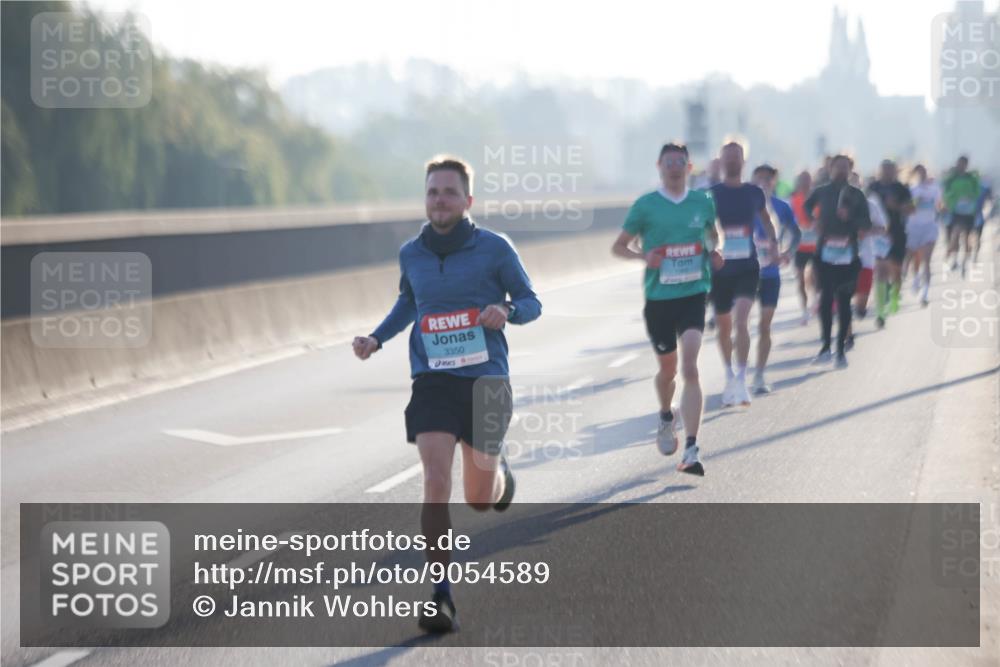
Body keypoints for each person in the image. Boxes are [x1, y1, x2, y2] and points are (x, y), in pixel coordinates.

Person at [353, 155, 542, 633]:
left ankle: (500, 478)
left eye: (449, 192)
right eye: (433, 192)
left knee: (480, 497)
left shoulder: (495, 248)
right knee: (436, 480)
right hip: (433, 380)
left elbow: (532, 302)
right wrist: (376, 338)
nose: (440, 200)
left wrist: (507, 310)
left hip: (486, 382)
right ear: (426, 198)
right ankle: (441, 595)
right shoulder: (411, 253)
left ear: (467, 200)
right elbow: (409, 302)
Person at [612, 142, 724, 476]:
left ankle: (691, 448)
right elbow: (619, 246)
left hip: (693, 293)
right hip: (659, 300)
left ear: (689, 167)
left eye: (680, 161)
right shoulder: (646, 205)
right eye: (668, 162)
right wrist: (643, 256)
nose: (674, 167)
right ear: (659, 166)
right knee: (668, 371)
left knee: (691, 367)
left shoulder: (702, 201)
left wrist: (714, 252)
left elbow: (711, 237)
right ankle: (665, 414)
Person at [710, 143, 777, 406]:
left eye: (736, 157)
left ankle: (741, 378)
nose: (732, 161)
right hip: (720, 269)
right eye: (727, 158)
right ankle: (729, 374)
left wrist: (773, 241)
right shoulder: (711, 195)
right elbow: (703, 226)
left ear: (743, 161)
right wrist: (710, 245)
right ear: (722, 161)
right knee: (724, 327)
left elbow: (766, 219)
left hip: (748, 267)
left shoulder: (754, 193)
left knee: (741, 320)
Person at [802, 155, 872, 367]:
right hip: (825, 254)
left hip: (849, 255)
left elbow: (867, 223)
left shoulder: (857, 195)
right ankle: (825, 347)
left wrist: (849, 218)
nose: (841, 170)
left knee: (843, 302)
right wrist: (814, 221)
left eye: (845, 167)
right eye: (837, 167)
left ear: (850, 169)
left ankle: (840, 350)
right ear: (830, 168)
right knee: (825, 301)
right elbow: (806, 207)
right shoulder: (822, 191)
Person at [750, 164, 800, 393]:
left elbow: (796, 233)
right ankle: (738, 371)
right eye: (758, 178)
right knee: (738, 324)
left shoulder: (782, 207)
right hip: (745, 273)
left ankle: (759, 374)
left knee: (764, 325)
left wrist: (788, 252)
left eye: (767, 179)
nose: (763, 183)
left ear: (774, 182)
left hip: (770, 273)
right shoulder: (745, 205)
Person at [867, 160, 913, 318]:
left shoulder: (902, 188)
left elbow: (911, 209)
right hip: (879, 234)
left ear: (895, 171)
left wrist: (897, 207)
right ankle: (881, 305)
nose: (887, 172)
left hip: (897, 232)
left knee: (896, 270)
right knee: (880, 269)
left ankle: (894, 298)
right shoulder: (873, 187)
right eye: (884, 169)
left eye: (890, 169)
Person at [907, 164, 942, 306]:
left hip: (929, 227)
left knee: (927, 259)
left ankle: (925, 293)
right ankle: (915, 278)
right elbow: (907, 208)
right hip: (914, 227)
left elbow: (939, 205)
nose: (922, 175)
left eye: (924, 172)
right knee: (916, 258)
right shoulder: (911, 190)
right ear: (915, 174)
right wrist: (916, 203)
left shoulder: (935, 189)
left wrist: (942, 208)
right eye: (919, 172)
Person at [942, 155, 981, 277]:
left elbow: (977, 192)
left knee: (967, 239)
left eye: (963, 163)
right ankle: (954, 259)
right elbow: (945, 192)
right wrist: (952, 200)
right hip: (956, 211)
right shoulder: (951, 178)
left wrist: (969, 196)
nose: (961, 166)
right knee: (955, 235)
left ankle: (965, 262)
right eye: (959, 163)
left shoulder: (971, 178)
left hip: (969, 211)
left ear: (966, 165)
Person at [789, 170, 818, 325]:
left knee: (814, 277)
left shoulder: (817, 198)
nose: (805, 183)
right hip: (800, 245)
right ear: (799, 182)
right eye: (803, 180)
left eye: (808, 179)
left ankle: (815, 301)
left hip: (815, 245)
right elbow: (789, 219)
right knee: (800, 279)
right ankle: (805, 310)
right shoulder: (794, 199)